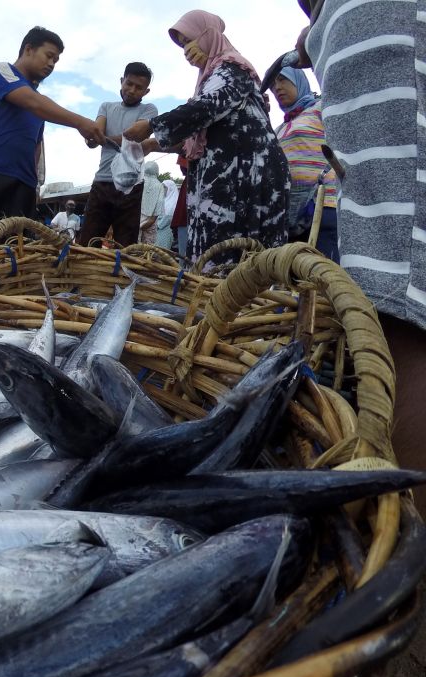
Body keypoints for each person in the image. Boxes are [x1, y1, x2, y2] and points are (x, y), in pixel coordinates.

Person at [293, 0, 424, 508]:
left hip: (375, 21)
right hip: (350, 23)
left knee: (402, 301)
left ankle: (411, 553)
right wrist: (312, 36)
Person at [123, 11, 289, 268]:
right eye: (181, 46)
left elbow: (208, 107)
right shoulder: (211, 77)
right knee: (217, 260)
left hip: (246, 180)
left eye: (188, 41)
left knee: (240, 262)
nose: (186, 50)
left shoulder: (233, 67)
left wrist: (152, 126)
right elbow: (201, 133)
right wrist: (153, 144)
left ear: (208, 35)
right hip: (229, 180)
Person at [0, 28, 105, 243]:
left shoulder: (40, 104)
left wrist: (34, 185)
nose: (52, 64)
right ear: (28, 49)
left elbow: (36, 145)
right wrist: (80, 123)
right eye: (49, 56)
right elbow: (32, 102)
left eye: (56, 60)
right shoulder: (2, 71)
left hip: (22, 185)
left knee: (15, 253)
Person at [76, 63, 158, 247]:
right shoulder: (106, 106)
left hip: (131, 187)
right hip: (102, 182)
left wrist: (99, 137)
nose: (132, 90)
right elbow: (93, 139)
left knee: (126, 247)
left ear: (146, 91)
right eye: (129, 84)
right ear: (122, 81)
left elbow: (134, 137)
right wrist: (94, 137)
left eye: (139, 87)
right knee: (87, 244)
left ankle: (123, 276)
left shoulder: (149, 110)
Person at [270, 66, 338, 261]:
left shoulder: (321, 108)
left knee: (327, 276)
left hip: (323, 205)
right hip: (293, 214)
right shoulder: (280, 127)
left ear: (299, 81)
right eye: (273, 85)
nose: (277, 88)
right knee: (299, 281)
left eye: (283, 80)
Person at [138, 161, 165, 245]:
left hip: (136, 219)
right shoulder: (160, 186)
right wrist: (150, 220)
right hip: (151, 221)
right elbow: (158, 207)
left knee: (133, 248)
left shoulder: (139, 182)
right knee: (147, 251)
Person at [155, 178, 178, 251]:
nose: (163, 189)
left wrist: (155, 224)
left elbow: (167, 219)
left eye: (165, 187)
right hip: (157, 231)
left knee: (162, 253)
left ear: (170, 189)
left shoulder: (173, 203)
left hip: (165, 231)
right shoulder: (165, 200)